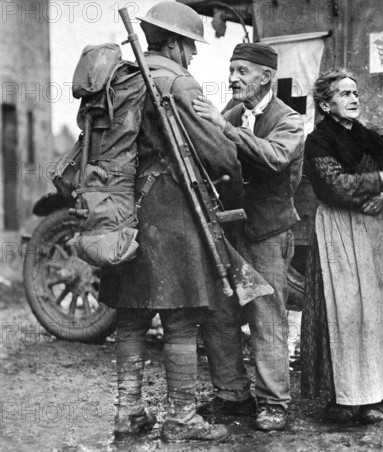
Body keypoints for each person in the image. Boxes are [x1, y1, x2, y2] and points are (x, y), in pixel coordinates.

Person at [99, 2, 241, 443]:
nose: (194, 55)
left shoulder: (121, 77)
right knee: (180, 319)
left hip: (121, 210)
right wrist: (234, 168)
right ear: (175, 43)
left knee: (130, 320)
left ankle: (129, 412)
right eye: (191, 46)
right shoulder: (178, 82)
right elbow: (219, 152)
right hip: (172, 211)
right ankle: (181, 415)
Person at [299, 68, 383, 424]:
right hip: (340, 233)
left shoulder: (370, 138)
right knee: (345, 314)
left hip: (376, 233)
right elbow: (335, 186)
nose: (354, 99)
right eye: (344, 94)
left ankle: (374, 398)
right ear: (325, 105)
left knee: (377, 314)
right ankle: (344, 398)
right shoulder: (318, 142)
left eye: (355, 93)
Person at [192, 43, 304, 431]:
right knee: (219, 311)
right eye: (232, 69)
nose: (233, 78)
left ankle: (274, 402)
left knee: (266, 316)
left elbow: (274, 157)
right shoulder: (233, 113)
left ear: (266, 77)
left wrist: (223, 129)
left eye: (242, 71)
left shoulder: (289, 120)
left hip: (267, 233)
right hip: (230, 230)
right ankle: (232, 395)